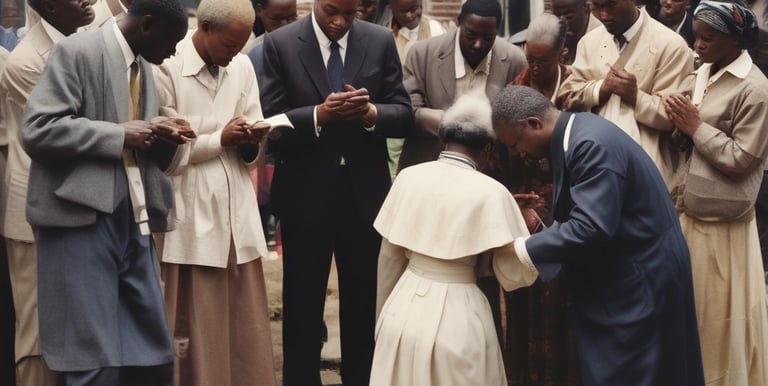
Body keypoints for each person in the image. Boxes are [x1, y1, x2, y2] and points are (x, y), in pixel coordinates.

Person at [19, 0, 189, 384]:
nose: (174, 51)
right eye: (171, 41)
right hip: (79, 217)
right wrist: (119, 134)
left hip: (134, 216)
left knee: (149, 346)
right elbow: (37, 129)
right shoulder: (76, 51)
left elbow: (132, 129)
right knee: (88, 348)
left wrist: (158, 130)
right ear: (146, 25)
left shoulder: (143, 64)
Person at [491, 85, 705, 386]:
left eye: (515, 145)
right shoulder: (577, 135)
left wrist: (519, 249)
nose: (518, 154)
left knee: (636, 376)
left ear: (533, 124)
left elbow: (591, 227)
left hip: (643, 278)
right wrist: (539, 227)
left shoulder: (590, 143)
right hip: (630, 268)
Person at [259, 0, 413, 382]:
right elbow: (269, 121)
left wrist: (371, 113)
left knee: (364, 303)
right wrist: (317, 116)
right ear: (315, 4)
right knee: (301, 305)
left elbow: (403, 112)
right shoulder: (280, 44)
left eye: (349, 13)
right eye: (331, 11)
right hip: (303, 196)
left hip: (364, 197)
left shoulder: (378, 41)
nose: (339, 22)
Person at [370, 92, 532, 386]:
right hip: (461, 317)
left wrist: (383, 319)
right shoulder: (493, 192)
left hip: (403, 308)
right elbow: (514, 273)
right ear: (487, 149)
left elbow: (389, 258)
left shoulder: (408, 177)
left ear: (444, 140)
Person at [153, 1, 277, 385]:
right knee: (188, 316)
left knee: (242, 317)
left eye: (240, 46)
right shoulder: (166, 65)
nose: (234, 54)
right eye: (227, 45)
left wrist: (250, 140)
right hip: (186, 213)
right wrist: (218, 138)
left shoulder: (241, 66)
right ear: (203, 26)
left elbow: (252, 141)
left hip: (235, 211)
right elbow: (164, 155)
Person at [663, 2, 768, 384]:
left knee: (721, 319)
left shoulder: (756, 88)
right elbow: (688, 140)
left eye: (708, 39)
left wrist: (693, 126)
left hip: (725, 226)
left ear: (735, 41)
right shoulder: (703, 72)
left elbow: (743, 158)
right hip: (690, 216)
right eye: (696, 36)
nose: (698, 45)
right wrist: (678, 120)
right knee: (695, 314)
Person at [0, 1, 95, 385]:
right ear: (51, 6)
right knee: (37, 333)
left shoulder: (85, 40)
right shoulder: (24, 61)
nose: (90, 1)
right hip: (34, 212)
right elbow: (70, 129)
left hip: (77, 204)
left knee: (75, 325)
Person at [484, 13, 581, 386]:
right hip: (523, 218)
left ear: (563, 53)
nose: (535, 67)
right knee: (523, 307)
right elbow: (494, 163)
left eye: (543, 59)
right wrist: (510, 198)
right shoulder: (514, 93)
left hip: (571, 215)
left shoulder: (578, 91)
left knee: (568, 312)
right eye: (530, 58)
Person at [557, 0, 694, 189]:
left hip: (648, 174)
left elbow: (675, 118)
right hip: (594, 168)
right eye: (596, 7)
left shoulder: (671, 45)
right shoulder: (589, 42)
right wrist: (600, 89)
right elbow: (566, 96)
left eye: (610, 6)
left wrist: (635, 96)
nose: (603, 15)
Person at [398, 0, 526, 171]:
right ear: (459, 22)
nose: (478, 44)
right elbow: (408, 112)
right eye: (471, 35)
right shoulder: (422, 53)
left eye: (488, 38)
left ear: (497, 31)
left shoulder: (514, 60)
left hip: (488, 173)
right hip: (429, 168)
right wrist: (452, 123)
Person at [384, 0, 445, 179]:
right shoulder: (386, 34)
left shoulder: (435, 29)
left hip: (426, 107)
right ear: (392, 8)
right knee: (394, 157)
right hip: (396, 106)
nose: (410, 16)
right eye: (403, 11)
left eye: (414, 9)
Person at [550, 0, 601, 65]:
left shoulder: (605, 35)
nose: (562, 24)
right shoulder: (553, 35)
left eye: (569, 17)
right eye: (556, 17)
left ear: (587, 9)